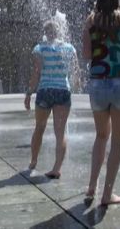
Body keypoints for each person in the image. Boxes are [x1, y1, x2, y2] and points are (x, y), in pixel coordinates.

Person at [82, 0, 120, 207]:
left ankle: (91, 187)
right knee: (117, 141)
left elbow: (86, 55)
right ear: (118, 2)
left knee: (101, 136)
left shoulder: (90, 21)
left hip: (97, 84)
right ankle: (107, 194)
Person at [26, 20, 78, 179]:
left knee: (39, 128)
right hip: (63, 90)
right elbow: (76, 73)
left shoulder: (39, 48)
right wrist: (73, 89)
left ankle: (34, 161)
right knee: (60, 132)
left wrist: (29, 93)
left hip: (45, 90)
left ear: (46, 32)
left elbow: (37, 73)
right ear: (59, 32)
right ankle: (56, 168)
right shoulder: (69, 48)